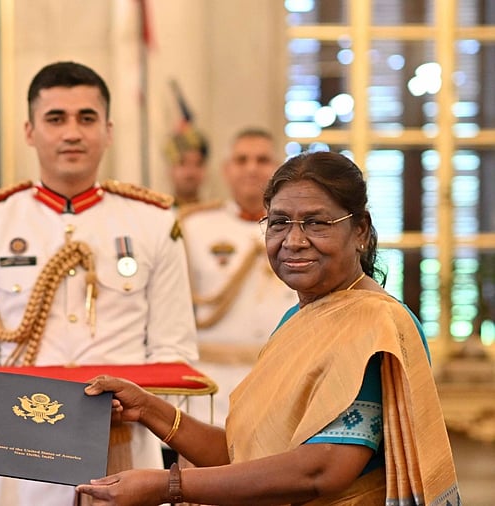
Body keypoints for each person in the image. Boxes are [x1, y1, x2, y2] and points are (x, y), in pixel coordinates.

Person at [76, 151, 460, 505]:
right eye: (279, 223)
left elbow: (320, 471)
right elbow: (245, 453)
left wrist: (169, 485)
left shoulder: (374, 323)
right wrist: (147, 409)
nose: (294, 241)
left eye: (316, 223)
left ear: (360, 230)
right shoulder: (300, 318)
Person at [0, 61, 199, 505]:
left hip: (122, 445)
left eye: (87, 118)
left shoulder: (154, 222)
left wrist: (138, 406)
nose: (72, 133)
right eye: (55, 118)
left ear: (108, 129)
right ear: (29, 130)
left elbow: (174, 350)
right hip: (18, 453)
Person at [178, 128, 298, 426]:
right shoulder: (193, 228)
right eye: (242, 160)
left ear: (279, 168)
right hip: (210, 387)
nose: (251, 168)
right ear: (226, 170)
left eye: (262, 159)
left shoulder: (299, 230)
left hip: (280, 380)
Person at [164, 125, 208, 208]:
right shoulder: (158, 215)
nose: (190, 171)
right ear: (170, 169)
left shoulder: (214, 216)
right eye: (182, 163)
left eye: (198, 164)